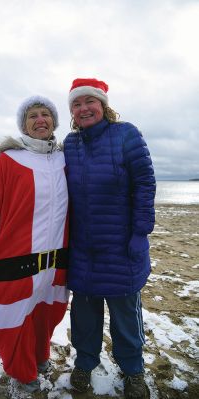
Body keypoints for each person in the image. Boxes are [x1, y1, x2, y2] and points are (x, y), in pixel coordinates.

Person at [0, 96, 69, 393]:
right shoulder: (9, 161)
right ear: (23, 125)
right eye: (32, 116)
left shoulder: (67, 160)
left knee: (45, 314)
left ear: (54, 121)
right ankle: (22, 373)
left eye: (45, 114)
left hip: (55, 261)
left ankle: (39, 357)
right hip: (14, 259)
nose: (40, 119)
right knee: (13, 319)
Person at [63, 78, 156, 399]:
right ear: (72, 112)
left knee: (125, 317)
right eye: (76, 104)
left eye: (89, 101)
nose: (83, 108)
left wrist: (140, 233)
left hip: (121, 247)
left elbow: (145, 183)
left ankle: (133, 371)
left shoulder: (126, 134)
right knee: (85, 315)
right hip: (83, 249)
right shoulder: (70, 144)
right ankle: (85, 364)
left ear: (103, 106)